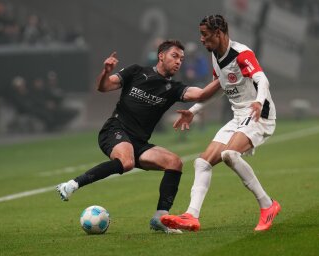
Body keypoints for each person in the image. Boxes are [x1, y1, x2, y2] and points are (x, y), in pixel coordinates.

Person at [56, 40, 221, 233]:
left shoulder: (174, 88)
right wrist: (106, 71)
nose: (179, 62)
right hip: (115, 129)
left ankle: (160, 217)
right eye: (174, 56)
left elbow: (201, 94)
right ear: (161, 56)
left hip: (139, 142)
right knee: (126, 162)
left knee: (175, 162)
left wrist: (224, 77)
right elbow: (104, 87)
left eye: (182, 59)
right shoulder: (136, 72)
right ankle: (71, 185)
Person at [160, 15, 280, 232]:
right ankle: (191, 216)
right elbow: (222, 87)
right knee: (202, 162)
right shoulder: (216, 55)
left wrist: (258, 102)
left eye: (205, 35)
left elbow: (263, 80)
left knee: (229, 155)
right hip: (238, 116)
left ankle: (268, 205)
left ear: (219, 33)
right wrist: (193, 111)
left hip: (258, 114)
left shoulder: (241, 54)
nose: (201, 39)